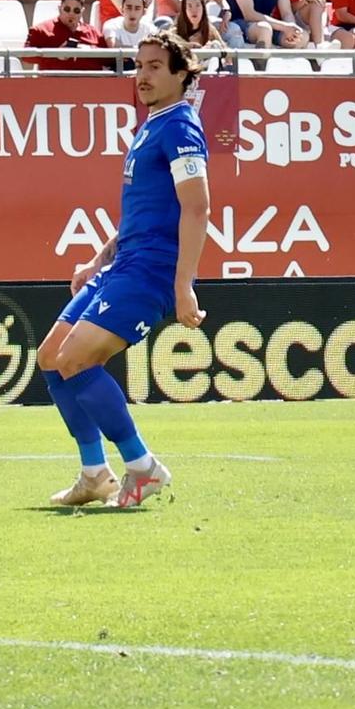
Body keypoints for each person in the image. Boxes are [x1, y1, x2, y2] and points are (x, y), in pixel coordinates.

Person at [39, 32, 207, 509]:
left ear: (181, 74)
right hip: (122, 265)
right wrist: (98, 257)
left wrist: (183, 286)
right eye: (139, 65)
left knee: (76, 361)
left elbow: (196, 210)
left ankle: (142, 467)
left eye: (155, 66)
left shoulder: (179, 127)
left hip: (150, 272)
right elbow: (143, 213)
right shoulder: (150, 125)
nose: (143, 75)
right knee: (52, 358)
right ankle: (94, 474)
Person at [25, 0, 111, 71]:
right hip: (55, 83)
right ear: (59, 9)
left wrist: (90, 50)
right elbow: (26, 56)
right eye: (67, 9)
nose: (71, 13)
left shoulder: (93, 32)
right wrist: (55, 55)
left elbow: (109, 60)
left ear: (82, 12)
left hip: (90, 83)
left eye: (76, 10)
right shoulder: (42, 30)